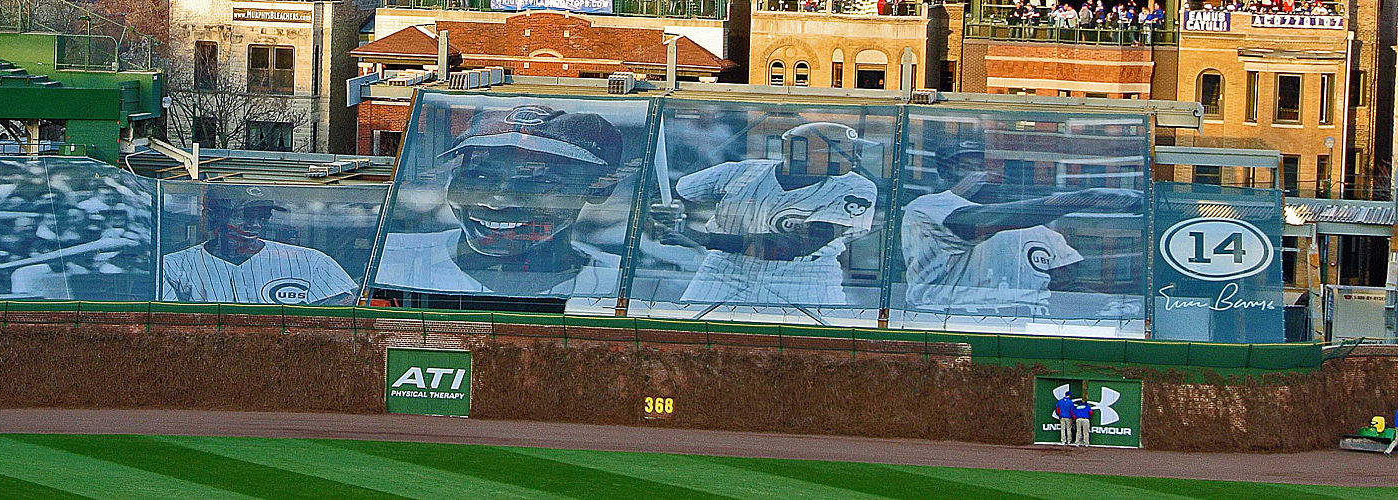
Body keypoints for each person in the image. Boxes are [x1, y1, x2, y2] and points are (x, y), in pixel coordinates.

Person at [373, 104, 629, 297]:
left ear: (599, 189)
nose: (497, 201)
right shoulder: (387, 262)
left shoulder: (626, 283)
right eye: (479, 175)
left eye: (536, 180)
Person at [900, 142, 1142, 317]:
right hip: (946, 322)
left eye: (988, 166)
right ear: (944, 173)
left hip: (1026, 328)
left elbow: (1064, 287)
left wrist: (1116, 304)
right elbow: (981, 222)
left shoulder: (1036, 226)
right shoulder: (927, 208)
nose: (984, 174)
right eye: (967, 167)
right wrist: (1082, 198)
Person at [651, 122, 879, 307]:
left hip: (806, 276)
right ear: (803, 154)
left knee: (822, 350)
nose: (854, 159)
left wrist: (704, 238)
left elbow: (796, 245)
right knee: (693, 339)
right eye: (842, 151)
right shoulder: (740, 171)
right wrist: (669, 211)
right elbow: (668, 191)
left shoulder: (857, 188)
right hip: (726, 269)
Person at [161, 184, 358, 305]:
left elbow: (342, 314)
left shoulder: (311, 261)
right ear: (214, 216)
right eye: (245, 215)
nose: (255, 224)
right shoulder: (173, 265)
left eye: (263, 216)